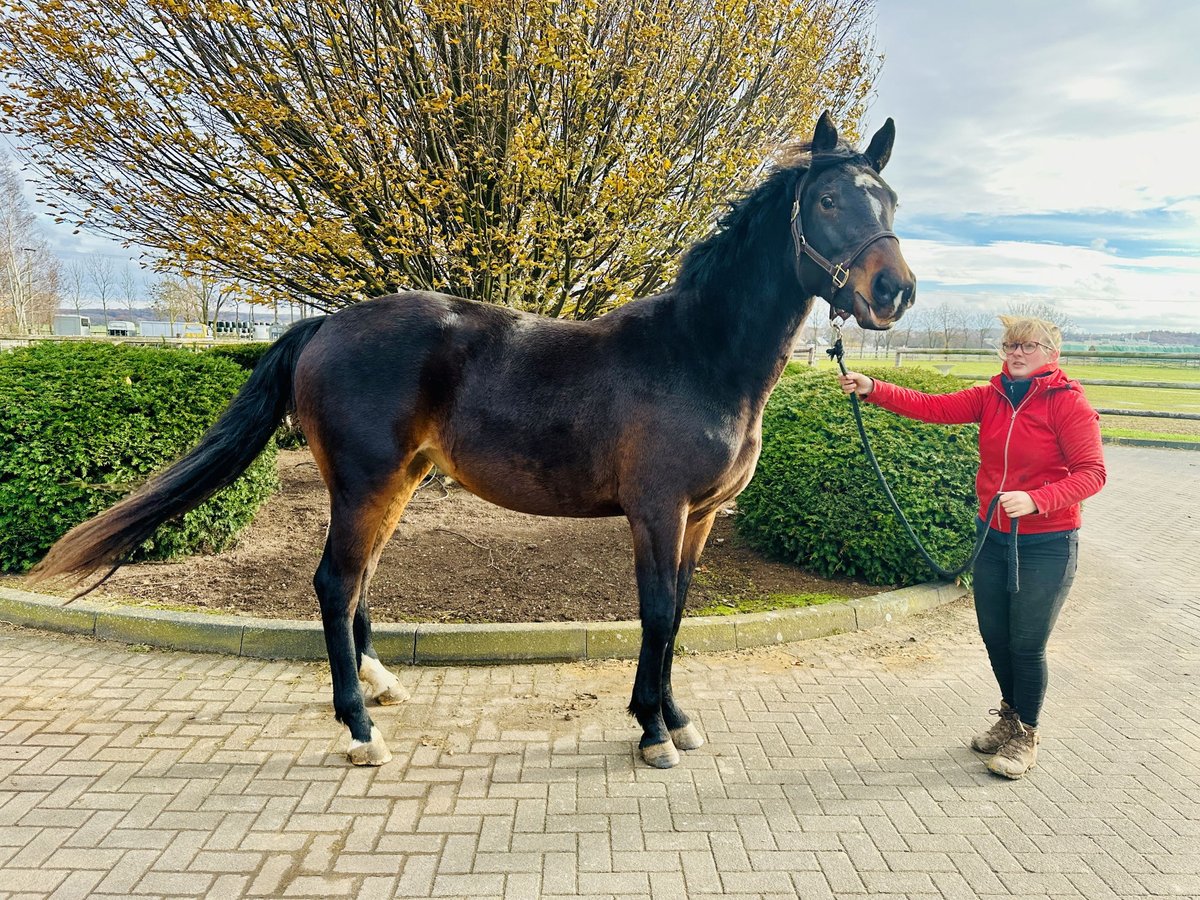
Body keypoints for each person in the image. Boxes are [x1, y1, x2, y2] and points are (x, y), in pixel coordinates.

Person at [838, 316, 1106, 779]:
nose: (1016, 353)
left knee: (1027, 643)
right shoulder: (992, 395)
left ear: (1051, 353)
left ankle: (1027, 732)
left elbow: (1092, 473)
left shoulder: (1067, 404)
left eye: (1027, 345)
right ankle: (1009, 715)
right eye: (1009, 345)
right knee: (995, 636)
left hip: (1047, 544)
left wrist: (1038, 500)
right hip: (993, 536)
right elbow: (933, 406)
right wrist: (873, 387)